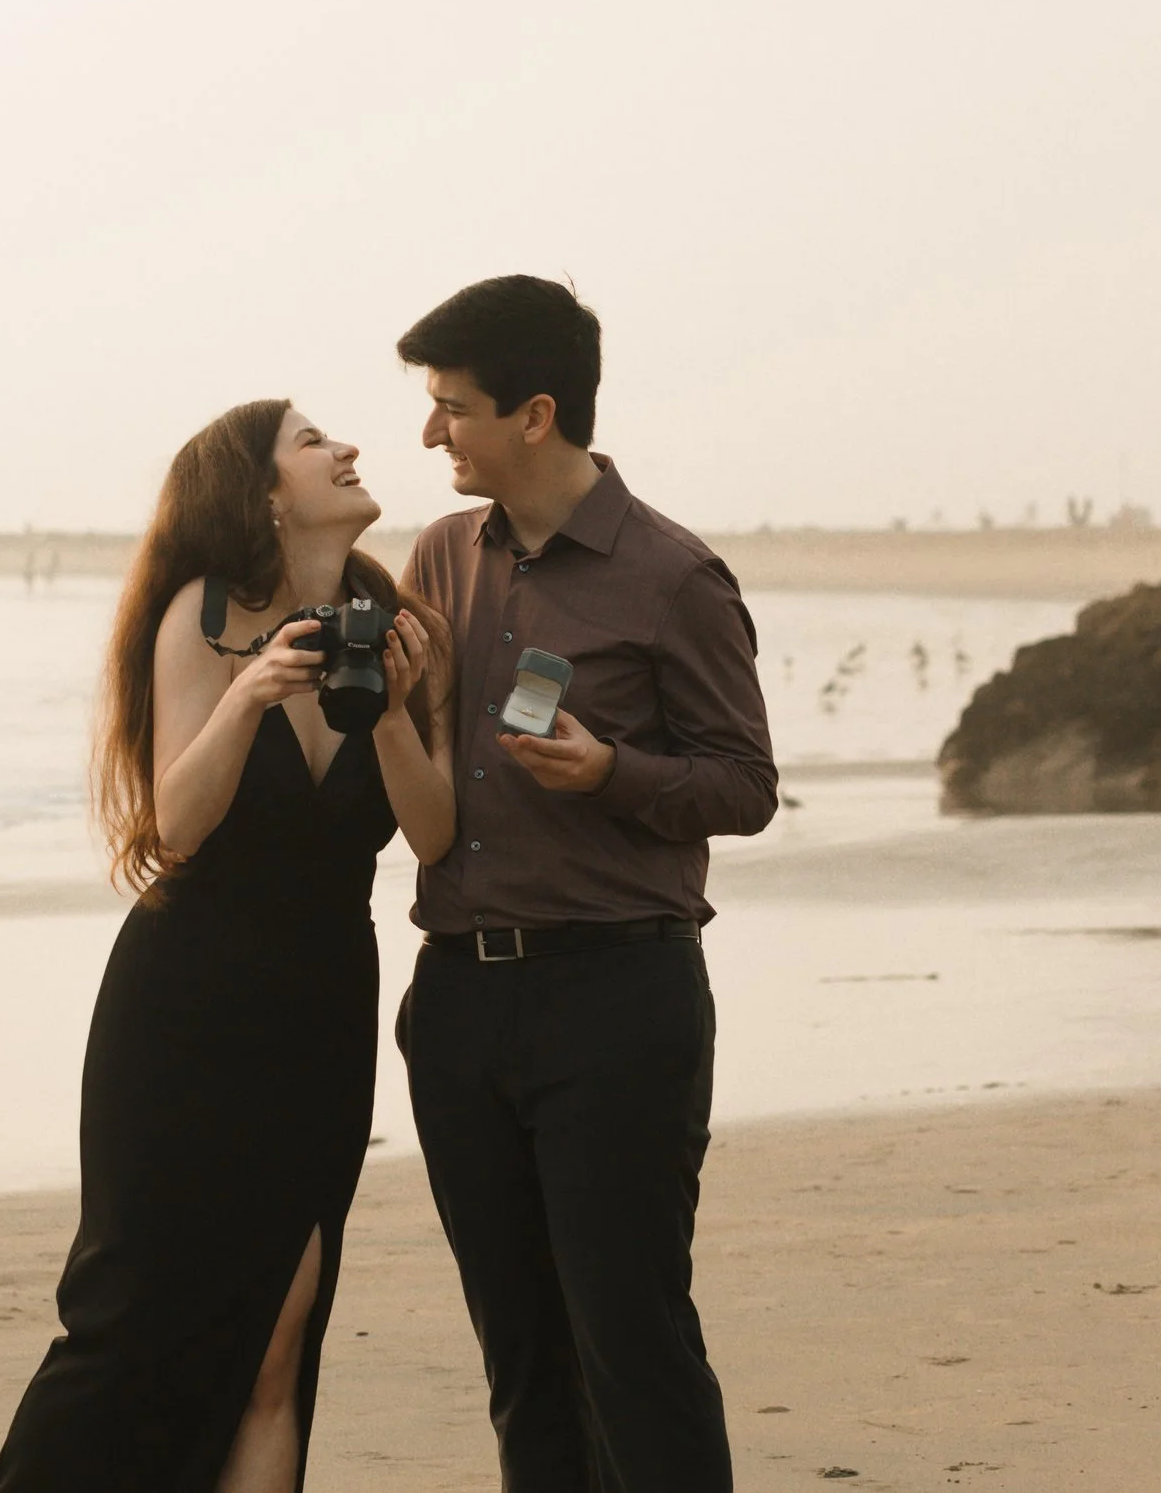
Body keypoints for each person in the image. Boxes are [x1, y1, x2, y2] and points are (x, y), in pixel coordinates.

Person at [0, 399, 457, 1493]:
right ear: (259, 492)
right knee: (122, 1320)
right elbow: (174, 826)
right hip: (182, 1011)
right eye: (311, 441)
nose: (345, 447)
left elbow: (434, 833)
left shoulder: (393, 618)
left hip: (321, 1013)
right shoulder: (199, 617)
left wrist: (389, 710)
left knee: (279, 1338)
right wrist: (247, 692)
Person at [392, 276, 778, 1491]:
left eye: (452, 407)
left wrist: (613, 770)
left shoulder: (672, 575)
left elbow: (744, 785)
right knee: (521, 1357)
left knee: (633, 1342)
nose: (430, 432)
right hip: (456, 1004)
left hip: (619, 998)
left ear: (535, 414)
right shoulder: (440, 556)